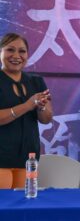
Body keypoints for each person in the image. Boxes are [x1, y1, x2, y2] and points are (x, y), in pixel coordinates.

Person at [0, 33, 53, 189]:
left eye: (22, 51)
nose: (16, 56)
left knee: (23, 207)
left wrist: (41, 106)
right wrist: (28, 105)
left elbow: (46, 119)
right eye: (10, 50)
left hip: (28, 158)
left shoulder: (36, 81)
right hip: (1, 158)